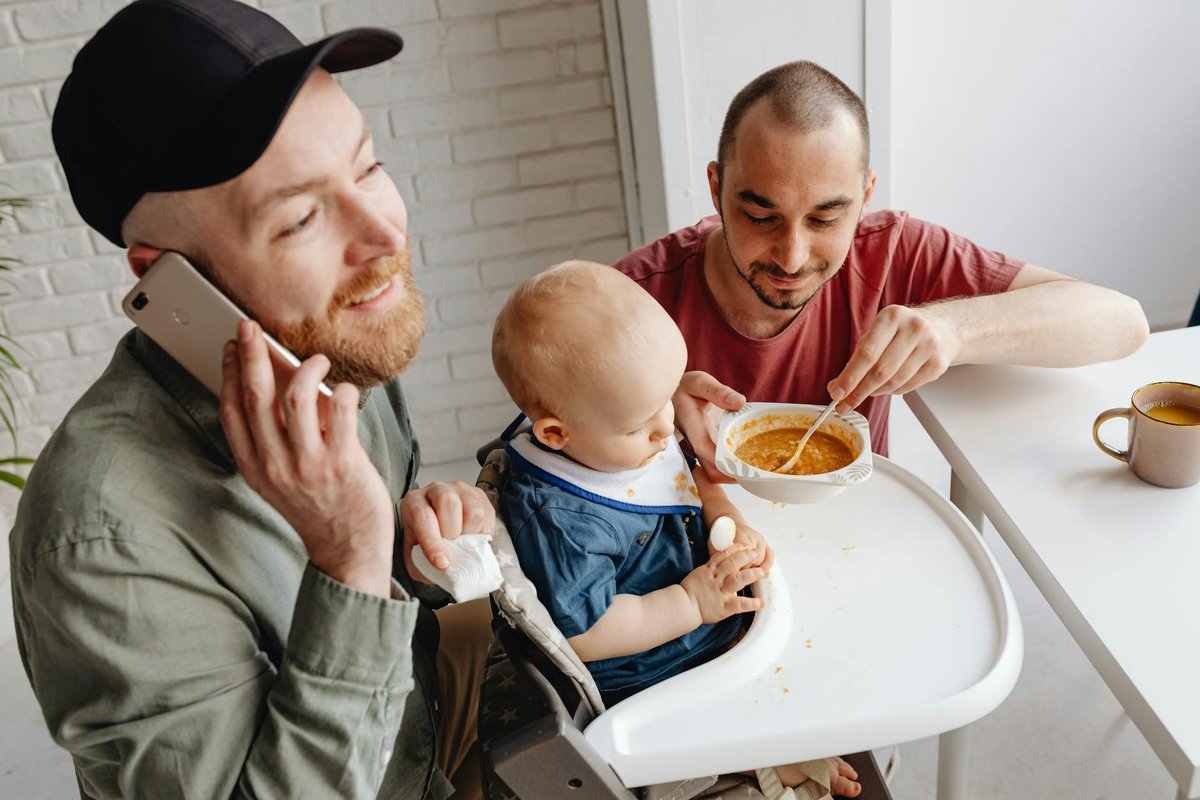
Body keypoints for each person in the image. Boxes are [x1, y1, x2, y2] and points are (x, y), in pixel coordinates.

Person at [8, 2, 501, 797]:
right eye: (303, 216)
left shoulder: (332, 345)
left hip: (428, 740)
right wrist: (347, 554)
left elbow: (401, 602)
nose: (384, 233)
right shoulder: (99, 542)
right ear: (165, 275)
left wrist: (410, 537)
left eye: (368, 166)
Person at [616, 60, 1149, 466]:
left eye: (825, 219)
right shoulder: (632, 297)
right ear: (716, 188)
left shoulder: (893, 250)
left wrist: (954, 329)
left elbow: (1121, 322)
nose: (792, 257)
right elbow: (539, 447)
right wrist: (643, 420)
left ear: (865, 195)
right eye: (761, 216)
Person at [491, 261, 862, 800]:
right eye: (642, 423)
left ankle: (766, 741)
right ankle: (746, 757)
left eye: (666, 398)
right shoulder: (562, 520)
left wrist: (720, 511)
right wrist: (692, 602)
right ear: (553, 433)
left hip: (708, 618)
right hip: (652, 674)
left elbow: (683, 480)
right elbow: (586, 634)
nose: (666, 427)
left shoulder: (607, 436)